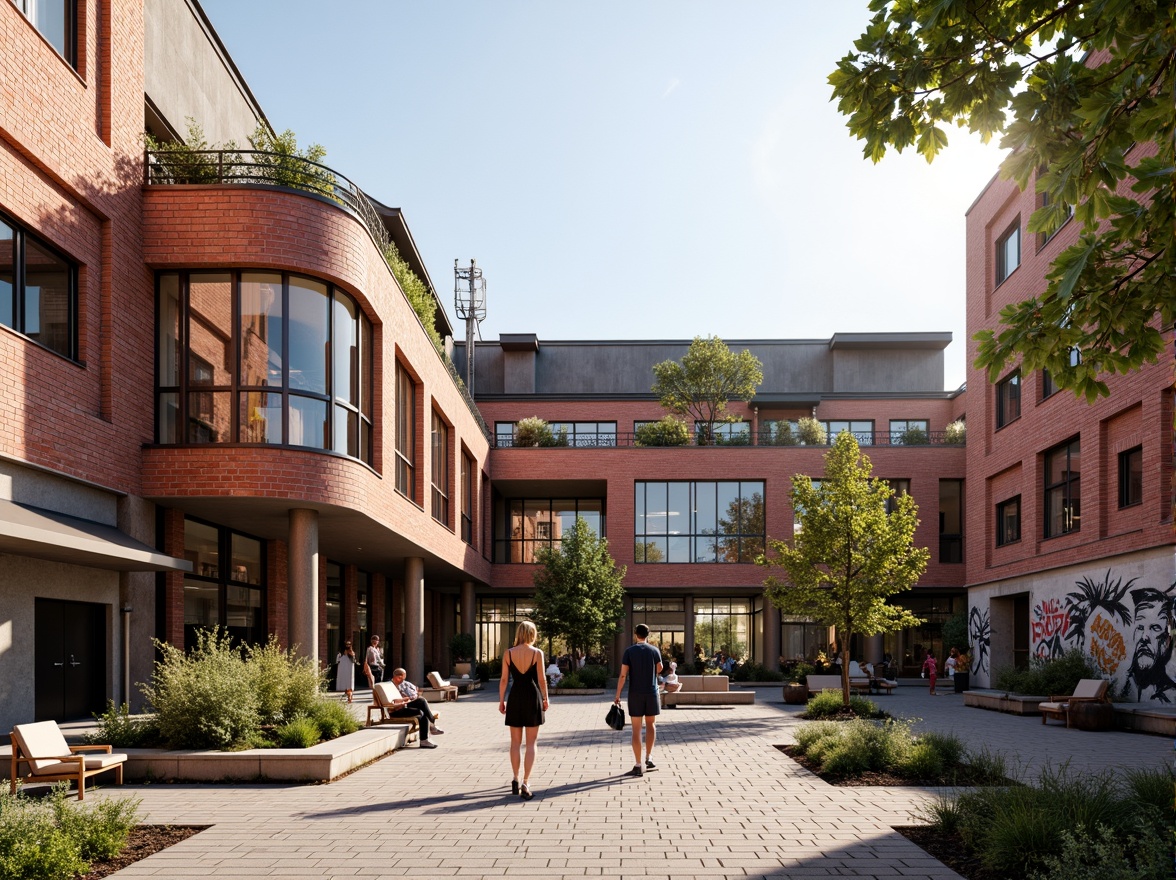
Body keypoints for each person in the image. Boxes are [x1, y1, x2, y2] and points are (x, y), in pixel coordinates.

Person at [499, 620, 548, 800]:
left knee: (514, 742)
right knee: (531, 743)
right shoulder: (537, 653)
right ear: (532, 634)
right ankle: (526, 782)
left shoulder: (508, 653)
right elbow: (542, 680)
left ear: (519, 633)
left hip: (515, 698)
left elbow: (504, 680)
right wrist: (545, 698)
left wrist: (501, 700)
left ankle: (515, 778)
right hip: (532, 697)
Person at [614, 623, 663, 777]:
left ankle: (638, 764)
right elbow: (660, 667)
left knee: (636, 728)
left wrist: (617, 694)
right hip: (651, 692)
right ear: (648, 635)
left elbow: (623, 675)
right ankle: (649, 758)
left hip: (635, 693)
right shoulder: (654, 650)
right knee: (651, 724)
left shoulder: (629, 651)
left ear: (636, 634)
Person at [390, 668, 445, 746]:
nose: (403, 681)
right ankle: (432, 726)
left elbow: (413, 693)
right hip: (397, 709)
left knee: (422, 711)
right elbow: (392, 702)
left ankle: (424, 740)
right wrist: (404, 700)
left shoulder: (403, 684)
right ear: (397, 677)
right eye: (401, 678)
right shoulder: (390, 686)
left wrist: (409, 698)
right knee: (421, 702)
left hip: (405, 704)